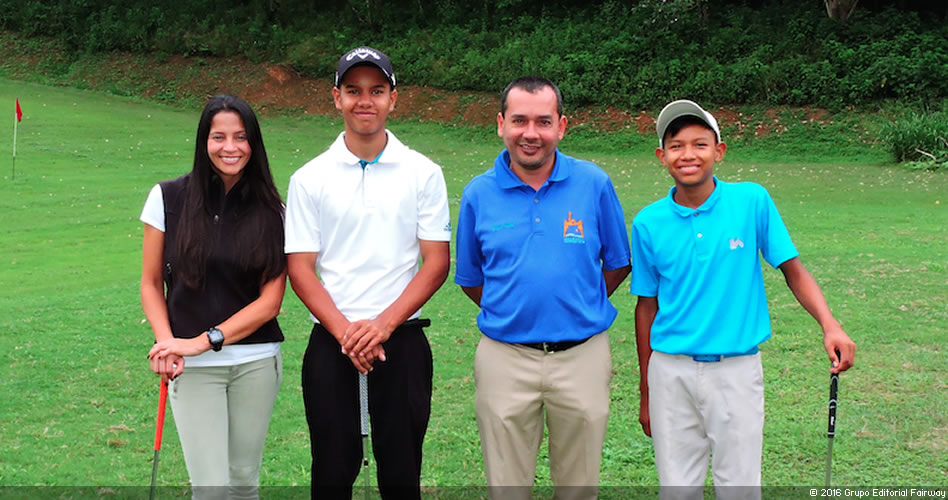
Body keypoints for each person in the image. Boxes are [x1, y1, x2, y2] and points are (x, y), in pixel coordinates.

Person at [631, 100, 857, 499]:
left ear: (719, 151)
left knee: (739, 487)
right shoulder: (648, 222)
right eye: (676, 145)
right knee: (676, 488)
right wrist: (647, 391)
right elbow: (646, 305)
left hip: (735, 370)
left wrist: (830, 324)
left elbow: (793, 270)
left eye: (700, 144)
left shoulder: (752, 201)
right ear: (661, 156)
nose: (688, 154)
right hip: (670, 372)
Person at [284, 46, 451, 499]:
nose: (365, 101)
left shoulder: (423, 173)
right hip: (330, 343)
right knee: (332, 477)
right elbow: (300, 269)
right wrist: (345, 333)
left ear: (394, 98)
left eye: (377, 90)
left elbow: (436, 262)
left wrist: (380, 326)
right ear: (335, 97)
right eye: (353, 91)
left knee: (401, 477)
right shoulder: (309, 178)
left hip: (401, 342)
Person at [454, 76, 631, 500]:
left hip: (582, 357)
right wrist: (518, 310)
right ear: (500, 124)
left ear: (562, 126)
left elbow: (617, 263)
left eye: (543, 121)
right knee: (507, 488)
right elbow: (473, 279)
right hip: (505, 358)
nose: (530, 134)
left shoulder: (593, 183)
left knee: (579, 487)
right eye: (519, 121)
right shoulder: (478, 193)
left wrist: (575, 303)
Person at [141, 94, 287, 500]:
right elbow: (151, 283)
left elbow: (270, 303)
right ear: (203, 141)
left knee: (243, 483)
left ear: (253, 144)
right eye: (218, 136)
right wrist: (167, 340)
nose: (230, 147)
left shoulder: (274, 211)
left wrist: (204, 340)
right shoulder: (167, 198)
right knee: (210, 488)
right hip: (192, 368)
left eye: (241, 137)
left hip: (255, 363)